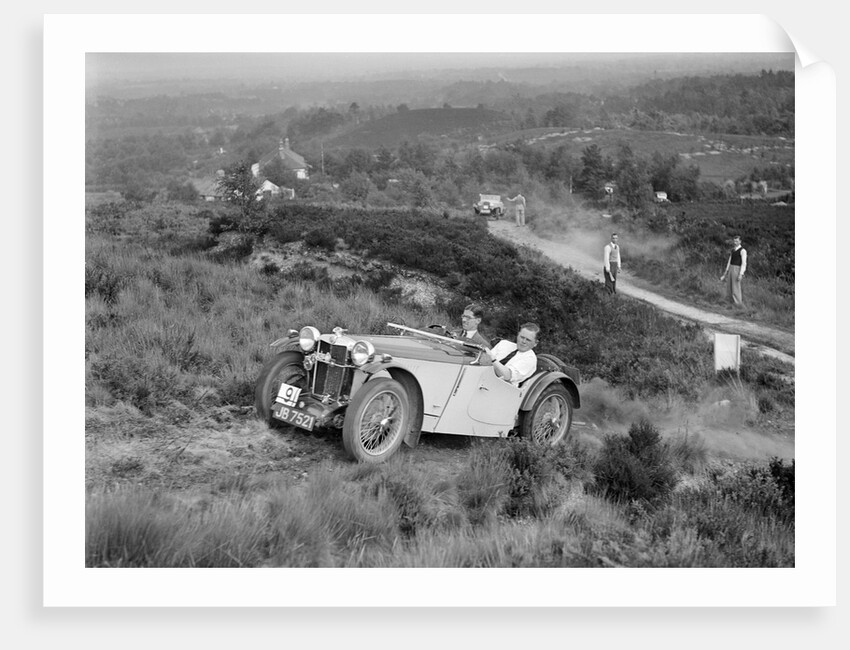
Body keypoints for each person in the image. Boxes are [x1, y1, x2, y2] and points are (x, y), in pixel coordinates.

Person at [486, 322, 540, 387]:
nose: (523, 342)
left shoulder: (530, 359)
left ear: (535, 343)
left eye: (528, 340)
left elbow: (506, 375)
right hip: (484, 378)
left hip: (502, 388)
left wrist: (493, 359)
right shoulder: (504, 344)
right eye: (522, 337)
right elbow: (484, 361)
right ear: (518, 335)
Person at [719, 235, 747, 306]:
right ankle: (729, 301)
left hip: (737, 268)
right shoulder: (733, 250)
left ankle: (738, 303)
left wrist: (741, 274)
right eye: (734, 241)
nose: (735, 242)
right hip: (731, 267)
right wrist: (726, 271)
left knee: (735, 286)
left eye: (737, 241)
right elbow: (729, 261)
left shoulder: (742, 251)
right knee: (729, 285)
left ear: (740, 241)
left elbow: (744, 263)